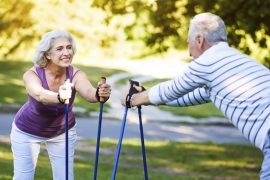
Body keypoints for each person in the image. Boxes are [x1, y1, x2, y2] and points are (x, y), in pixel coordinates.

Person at [121, 12, 270, 179]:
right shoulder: (236, 61)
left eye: (188, 43)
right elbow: (185, 96)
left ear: (199, 40)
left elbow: (171, 89)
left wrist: (132, 99)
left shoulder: (207, 62)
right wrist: (145, 94)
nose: (189, 52)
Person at [10, 30, 111, 180]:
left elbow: (89, 93)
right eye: (59, 48)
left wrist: (99, 94)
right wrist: (60, 96)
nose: (66, 52)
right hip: (27, 131)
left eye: (69, 47)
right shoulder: (32, 74)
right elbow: (40, 95)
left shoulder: (76, 74)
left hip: (62, 131)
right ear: (47, 54)